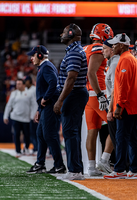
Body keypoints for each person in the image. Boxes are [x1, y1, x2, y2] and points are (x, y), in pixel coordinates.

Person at [103, 33, 137, 179]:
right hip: (135, 105)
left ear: (122, 45)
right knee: (133, 137)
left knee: (121, 137)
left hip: (127, 105)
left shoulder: (125, 59)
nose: (113, 46)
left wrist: (119, 105)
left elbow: (123, 86)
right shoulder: (131, 59)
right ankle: (135, 169)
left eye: (115, 44)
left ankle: (120, 169)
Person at [54, 23, 88, 180]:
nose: (61, 35)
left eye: (63, 32)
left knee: (70, 132)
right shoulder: (74, 51)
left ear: (70, 33)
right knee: (72, 132)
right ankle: (76, 169)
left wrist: (60, 100)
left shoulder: (74, 52)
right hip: (76, 94)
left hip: (73, 94)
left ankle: (74, 170)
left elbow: (71, 78)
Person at [26, 45, 66, 174]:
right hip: (45, 107)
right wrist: (39, 109)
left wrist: (46, 98)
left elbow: (53, 82)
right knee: (40, 134)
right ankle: (40, 163)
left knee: (49, 134)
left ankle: (59, 165)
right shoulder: (43, 67)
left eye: (33, 55)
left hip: (49, 105)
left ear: (39, 55)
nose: (31, 58)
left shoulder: (46, 66)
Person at [83, 23, 114, 176]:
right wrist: (101, 94)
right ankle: (104, 160)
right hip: (98, 93)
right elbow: (91, 73)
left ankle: (91, 167)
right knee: (116, 126)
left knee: (92, 130)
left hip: (88, 94)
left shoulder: (85, 48)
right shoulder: (97, 48)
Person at [3, 79, 36, 157]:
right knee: (16, 134)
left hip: (26, 118)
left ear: (24, 85)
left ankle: (26, 148)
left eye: (19, 84)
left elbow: (34, 105)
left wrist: (32, 116)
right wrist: (5, 116)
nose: (17, 85)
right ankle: (18, 151)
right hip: (15, 117)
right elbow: (9, 105)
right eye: (17, 84)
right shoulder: (13, 93)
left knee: (27, 134)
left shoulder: (29, 93)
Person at [101, 38, 120, 152]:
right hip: (115, 103)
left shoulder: (114, 64)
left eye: (104, 48)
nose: (102, 51)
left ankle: (120, 167)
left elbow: (114, 89)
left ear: (112, 49)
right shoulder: (113, 62)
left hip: (115, 104)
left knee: (116, 137)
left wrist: (110, 110)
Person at [24, 76, 38, 154]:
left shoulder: (34, 89)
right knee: (28, 133)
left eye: (26, 81)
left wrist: (35, 114)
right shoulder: (25, 90)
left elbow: (35, 103)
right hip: (26, 115)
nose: (25, 83)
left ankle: (36, 148)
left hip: (33, 114)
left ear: (29, 81)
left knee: (34, 133)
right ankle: (28, 147)